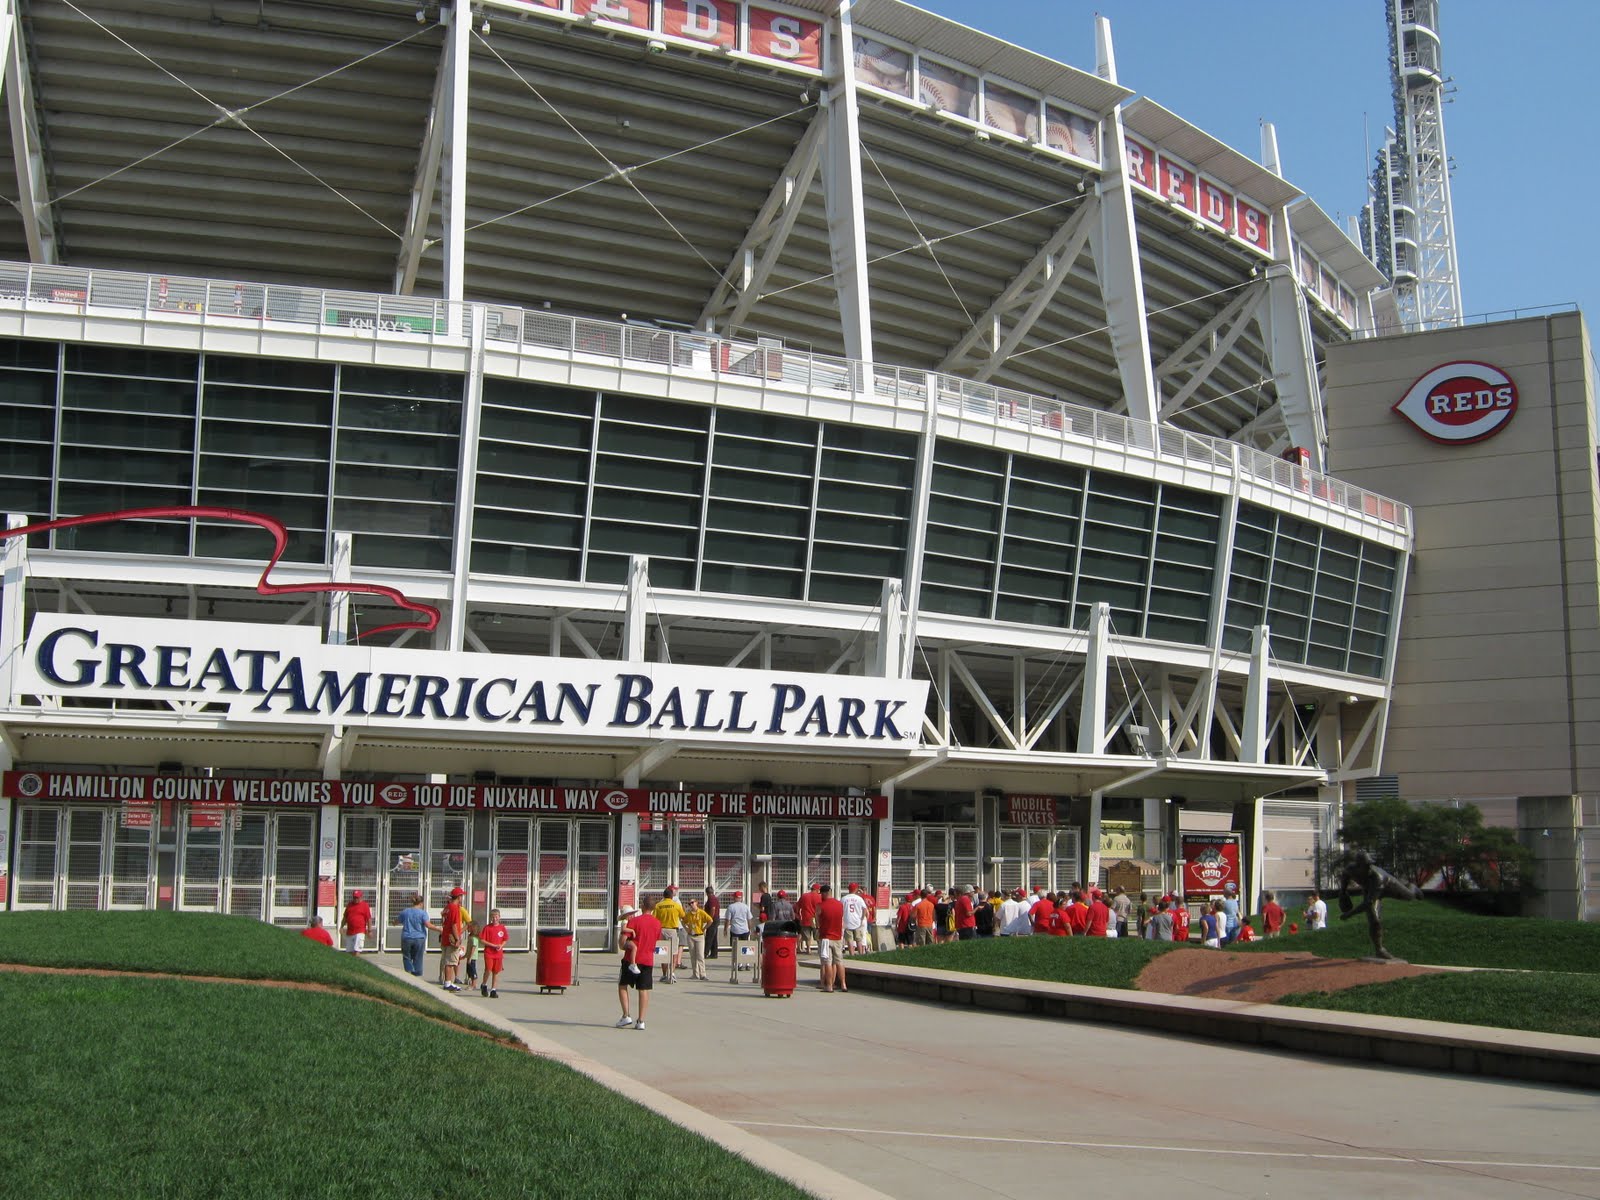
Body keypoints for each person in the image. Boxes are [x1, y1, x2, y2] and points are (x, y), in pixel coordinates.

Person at [1337, 850, 1422, 959]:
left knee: (1410, 896)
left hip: (1388, 887)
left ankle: (1412, 887)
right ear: (1359, 865)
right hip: (1370, 891)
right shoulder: (1351, 869)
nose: (1369, 867)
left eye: (1370, 864)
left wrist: (1349, 914)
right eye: (1366, 865)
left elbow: (1368, 903)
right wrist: (1343, 892)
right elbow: (1345, 877)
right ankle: (1380, 950)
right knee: (1374, 920)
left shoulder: (1377, 877)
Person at [617, 900, 663, 1030]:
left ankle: (626, 1015)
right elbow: (657, 939)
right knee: (643, 989)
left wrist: (627, 945)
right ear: (653, 908)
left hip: (630, 959)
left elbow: (622, 943)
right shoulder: (657, 923)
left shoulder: (634, 922)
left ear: (643, 906)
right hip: (648, 960)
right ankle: (641, 1020)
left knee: (622, 986)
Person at [815, 883, 847, 992]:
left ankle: (829, 986)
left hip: (825, 937)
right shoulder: (839, 904)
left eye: (821, 894)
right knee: (839, 961)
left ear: (824, 893)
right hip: (838, 937)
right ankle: (843, 984)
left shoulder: (820, 906)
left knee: (827, 962)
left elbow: (817, 923)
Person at [652, 886, 685, 983]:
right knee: (674, 952)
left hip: (661, 931)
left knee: (662, 953)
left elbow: (654, 919)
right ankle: (672, 973)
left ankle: (664, 974)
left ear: (663, 896)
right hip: (672, 930)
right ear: (671, 896)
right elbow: (683, 916)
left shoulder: (658, 905)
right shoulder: (676, 905)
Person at [439, 886, 468, 992]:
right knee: (450, 962)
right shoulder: (455, 908)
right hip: (451, 938)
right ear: (459, 897)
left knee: (448, 960)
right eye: (461, 896)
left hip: (445, 937)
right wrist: (457, 939)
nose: (462, 898)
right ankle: (447, 982)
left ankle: (450, 982)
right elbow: (454, 925)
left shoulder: (447, 907)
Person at [395, 892, 431, 977]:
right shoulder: (423, 913)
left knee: (407, 956)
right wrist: (438, 929)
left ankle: (409, 971)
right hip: (419, 938)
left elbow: (397, 921)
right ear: (421, 903)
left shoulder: (405, 912)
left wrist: (394, 923)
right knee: (418, 957)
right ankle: (416, 973)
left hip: (407, 937)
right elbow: (427, 925)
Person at [724, 889, 754, 981]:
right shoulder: (745, 907)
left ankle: (738, 964)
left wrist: (725, 929)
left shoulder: (731, 907)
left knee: (735, 948)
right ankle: (747, 964)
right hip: (745, 930)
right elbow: (749, 919)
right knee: (745, 947)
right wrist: (750, 928)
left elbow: (728, 919)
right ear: (741, 898)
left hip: (735, 930)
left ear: (734, 898)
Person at [479, 908, 509, 998]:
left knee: (496, 972)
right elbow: (482, 940)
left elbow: (505, 939)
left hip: (498, 954)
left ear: (499, 917)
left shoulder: (502, 928)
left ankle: (493, 989)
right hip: (489, 952)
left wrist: (501, 945)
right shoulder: (487, 928)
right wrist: (492, 945)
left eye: (496, 917)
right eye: (493, 917)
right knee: (488, 969)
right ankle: (484, 984)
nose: (494, 919)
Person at [683, 895, 713, 980]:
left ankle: (703, 974)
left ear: (696, 903)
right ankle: (695, 974)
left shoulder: (701, 912)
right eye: (689, 903)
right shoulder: (688, 914)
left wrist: (704, 928)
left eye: (692, 903)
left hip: (699, 936)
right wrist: (686, 929)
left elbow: (710, 920)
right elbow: (683, 921)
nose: (691, 905)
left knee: (700, 955)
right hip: (691, 936)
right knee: (693, 955)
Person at [338, 888, 372, 953]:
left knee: (357, 950)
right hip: (350, 931)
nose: (355, 899)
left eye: (357, 898)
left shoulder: (365, 905)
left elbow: (369, 919)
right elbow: (345, 917)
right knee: (349, 951)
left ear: (361, 897)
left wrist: (369, 930)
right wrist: (341, 927)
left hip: (360, 931)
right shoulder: (349, 905)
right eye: (354, 897)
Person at [842, 883, 869, 954]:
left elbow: (840, 909)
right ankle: (860, 953)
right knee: (859, 939)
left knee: (849, 940)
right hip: (857, 921)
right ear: (856, 889)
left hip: (847, 921)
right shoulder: (859, 898)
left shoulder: (844, 898)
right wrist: (862, 918)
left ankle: (852, 954)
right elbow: (864, 909)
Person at [796, 882, 822, 953]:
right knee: (817, 935)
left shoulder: (804, 896)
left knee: (807, 936)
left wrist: (798, 914)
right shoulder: (820, 897)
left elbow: (798, 906)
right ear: (817, 890)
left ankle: (808, 949)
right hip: (815, 919)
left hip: (805, 918)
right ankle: (820, 950)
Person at [703, 886, 721, 960]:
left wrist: (709, 919)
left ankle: (705, 953)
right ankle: (714, 953)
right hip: (715, 919)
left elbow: (713, 909)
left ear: (707, 893)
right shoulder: (714, 898)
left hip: (713, 920)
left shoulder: (711, 899)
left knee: (709, 936)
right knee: (713, 937)